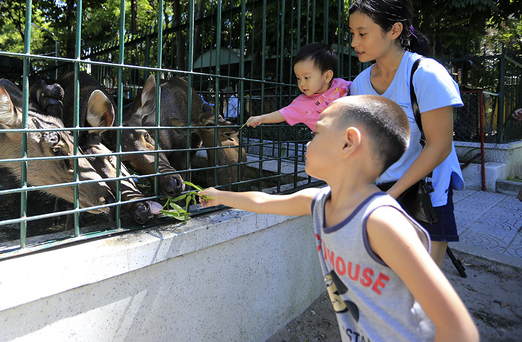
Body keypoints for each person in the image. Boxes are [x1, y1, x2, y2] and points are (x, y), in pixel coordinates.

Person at [200, 96, 479, 342]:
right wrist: (220, 196)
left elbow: (457, 328)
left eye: (317, 132)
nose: (308, 141)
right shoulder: (320, 201)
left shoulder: (381, 222)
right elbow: (264, 200)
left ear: (348, 143)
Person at [348, 0, 464, 268]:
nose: (354, 42)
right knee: (386, 281)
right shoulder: (359, 84)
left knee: (423, 288)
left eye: (362, 33)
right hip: (382, 192)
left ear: (395, 30)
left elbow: (439, 146)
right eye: (352, 34)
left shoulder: (427, 75)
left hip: (425, 194)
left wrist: (392, 195)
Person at [245, 42, 351, 131]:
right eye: (298, 78)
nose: (302, 84)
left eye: (307, 77)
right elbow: (283, 113)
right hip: (331, 147)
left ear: (327, 76)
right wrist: (262, 118)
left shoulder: (341, 84)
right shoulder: (301, 104)